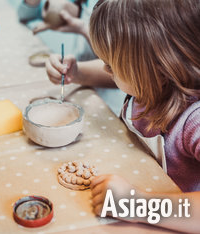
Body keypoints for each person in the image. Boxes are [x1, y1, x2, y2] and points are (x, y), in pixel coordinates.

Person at [46, 0, 200, 232]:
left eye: (110, 65)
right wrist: (78, 73)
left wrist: (137, 205)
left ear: (156, 69)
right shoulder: (153, 82)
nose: (106, 69)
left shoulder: (194, 121)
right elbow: (124, 76)